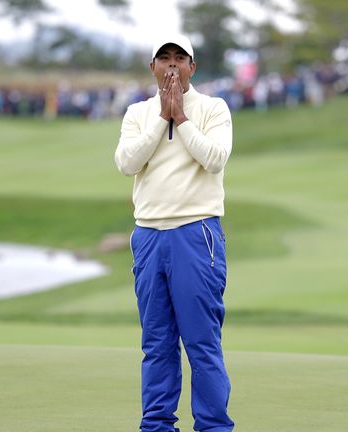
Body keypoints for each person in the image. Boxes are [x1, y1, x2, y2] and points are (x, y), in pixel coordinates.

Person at [114, 34, 235, 432]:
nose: (171, 65)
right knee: (156, 344)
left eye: (179, 58)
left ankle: (214, 427)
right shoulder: (137, 113)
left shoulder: (213, 109)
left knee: (201, 342)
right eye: (163, 58)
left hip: (195, 232)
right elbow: (127, 163)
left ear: (192, 67)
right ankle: (157, 426)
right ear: (152, 67)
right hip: (148, 235)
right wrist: (162, 118)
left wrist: (181, 117)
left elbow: (215, 159)